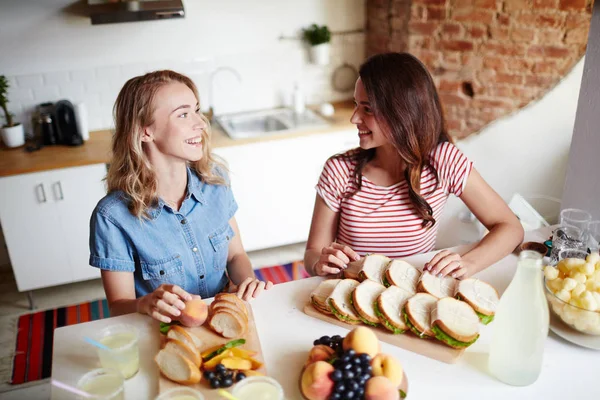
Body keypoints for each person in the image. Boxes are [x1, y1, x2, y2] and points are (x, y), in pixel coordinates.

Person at [305, 52, 524, 279]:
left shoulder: (443, 161)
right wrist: (320, 263)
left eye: (367, 109)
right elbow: (312, 252)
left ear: (401, 112)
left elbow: (510, 228)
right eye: (356, 105)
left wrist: (467, 264)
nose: (354, 118)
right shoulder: (339, 170)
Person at [89, 70, 272, 323]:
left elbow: (235, 256)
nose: (201, 123)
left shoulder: (215, 181)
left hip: (225, 317)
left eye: (197, 111)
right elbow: (119, 306)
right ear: (145, 132)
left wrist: (247, 283)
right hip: (163, 331)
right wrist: (145, 304)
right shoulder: (112, 216)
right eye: (184, 114)